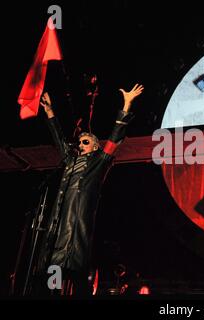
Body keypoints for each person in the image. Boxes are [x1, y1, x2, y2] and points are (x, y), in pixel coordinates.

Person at [35, 83, 144, 296]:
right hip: (58, 236)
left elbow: (114, 139)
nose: (81, 144)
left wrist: (126, 106)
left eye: (86, 142)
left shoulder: (99, 162)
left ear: (94, 146)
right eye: (80, 141)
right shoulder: (69, 162)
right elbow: (59, 140)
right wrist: (50, 112)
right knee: (53, 285)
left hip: (78, 239)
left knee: (78, 283)